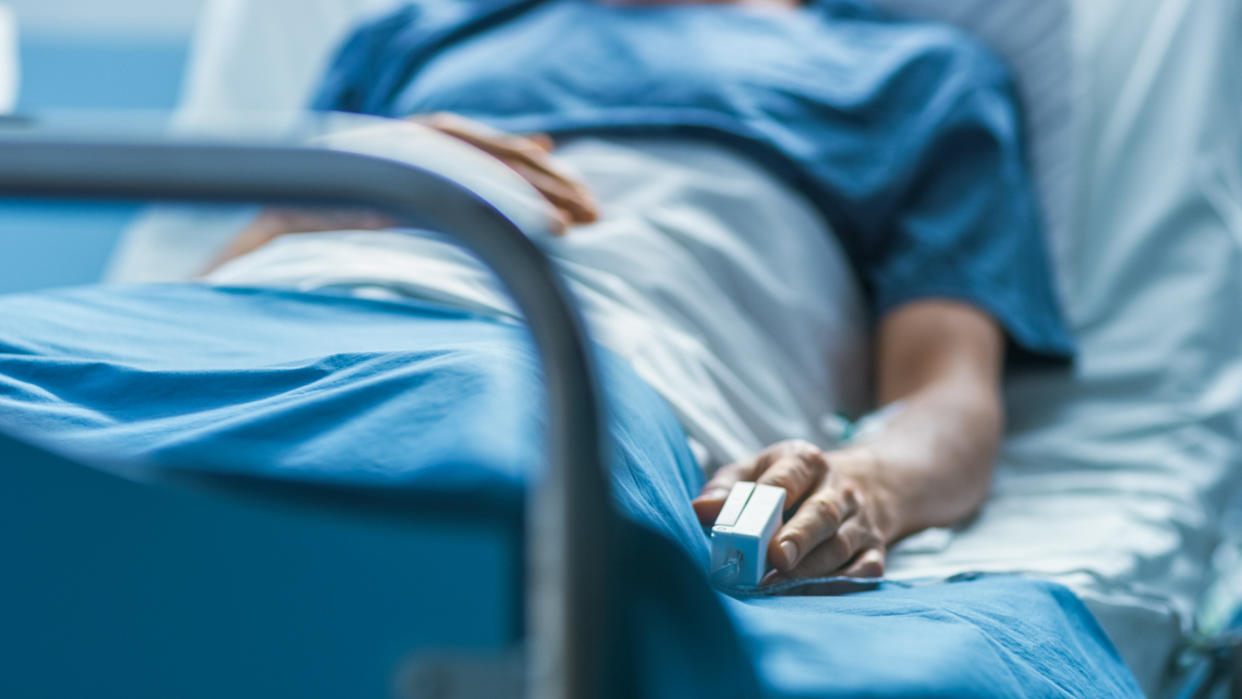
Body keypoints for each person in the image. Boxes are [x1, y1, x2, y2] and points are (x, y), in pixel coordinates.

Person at [205, 0, 1074, 585]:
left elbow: (945, 392)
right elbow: (204, 287)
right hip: (247, 327)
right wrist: (331, 188)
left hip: (565, 361)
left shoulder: (916, 75)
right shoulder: (415, 34)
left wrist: (864, 482)